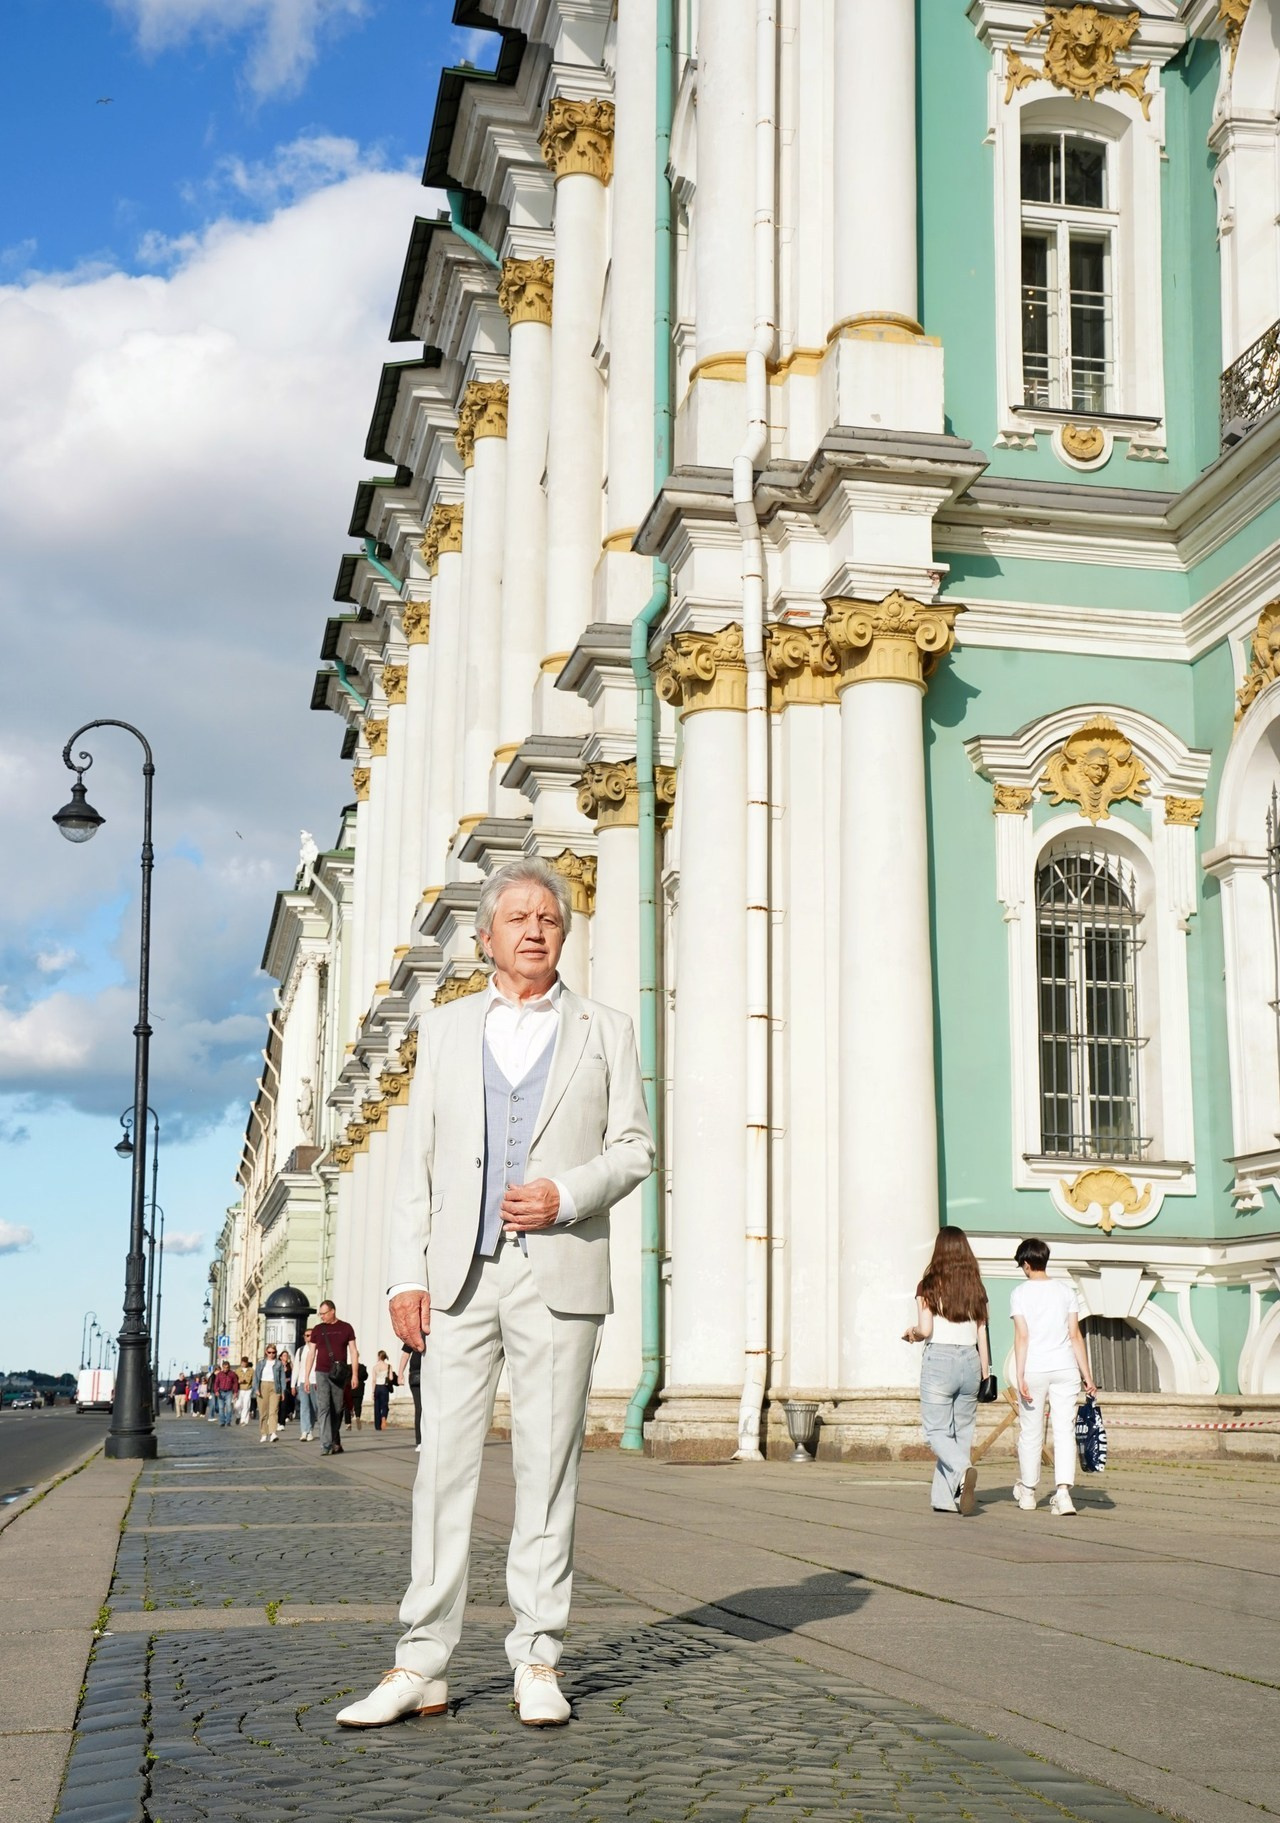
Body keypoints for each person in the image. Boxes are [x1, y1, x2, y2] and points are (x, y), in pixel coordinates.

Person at [337, 857, 654, 1732]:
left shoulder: (606, 1029)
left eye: (548, 917)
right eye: (517, 917)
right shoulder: (444, 1028)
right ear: (486, 938)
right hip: (459, 1278)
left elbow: (635, 1146)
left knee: (547, 1468)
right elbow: (418, 1165)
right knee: (441, 1467)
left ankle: (537, 1656)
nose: (534, 929)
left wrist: (566, 1194)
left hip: (559, 1273)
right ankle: (421, 1662)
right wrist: (406, 1275)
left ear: (565, 933)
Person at [903, 1228, 991, 1517]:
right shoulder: (976, 1287)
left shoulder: (928, 1285)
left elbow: (925, 1329)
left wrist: (911, 1333)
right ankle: (945, 1499)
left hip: (940, 1360)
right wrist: (985, 1373)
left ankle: (963, 1470)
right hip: (971, 1360)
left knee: (936, 1432)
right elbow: (982, 1331)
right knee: (961, 1433)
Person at [1011, 1237, 1097, 1516]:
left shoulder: (1020, 1293)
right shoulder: (1065, 1291)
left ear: (1026, 1263)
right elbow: (1075, 1335)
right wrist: (1088, 1376)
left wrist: (1019, 1374)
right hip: (1065, 1369)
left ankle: (1028, 1492)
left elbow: (1022, 1337)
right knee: (1064, 1431)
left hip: (1034, 1368)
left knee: (1030, 1432)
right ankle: (1063, 1494)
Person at [310, 1299, 359, 1456]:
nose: (322, 1316)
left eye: (324, 1313)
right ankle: (326, 1444)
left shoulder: (346, 1328)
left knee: (337, 1409)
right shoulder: (318, 1329)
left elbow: (353, 1352)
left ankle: (332, 1439)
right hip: (321, 1372)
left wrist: (355, 1374)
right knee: (323, 1407)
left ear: (333, 1311)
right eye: (320, 1314)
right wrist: (306, 1376)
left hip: (338, 1374)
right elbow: (311, 1353)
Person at [254, 1343, 284, 1442]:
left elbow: (282, 1378)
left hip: (275, 1387)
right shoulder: (261, 1363)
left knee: (274, 1411)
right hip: (263, 1386)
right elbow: (256, 1377)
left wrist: (283, 1392)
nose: (271, 1354)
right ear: (266, 1352)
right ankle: (264, 1433)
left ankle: (273, 1433)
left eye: (273, 1352)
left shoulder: (279, 1364)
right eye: (269, 1352)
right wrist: (256, 1388)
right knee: (263, 1412)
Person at [399, 1345, 422, 1451]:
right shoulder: (414, 1335)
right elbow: (405, 1354)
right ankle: (420, 1441)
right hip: (416, 1375)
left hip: (432, 1375)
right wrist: (400, 1374)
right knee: (420, 1408)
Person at [295, 1327, 316, 1441]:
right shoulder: (300, 1351)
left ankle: (310, 1430)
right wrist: (293, 1384)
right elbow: (296, 1368)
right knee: (304, 1406)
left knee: (313, 1407)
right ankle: (304, 1431)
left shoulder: (318, 1349)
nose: (309, 1337)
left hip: (315, 1381)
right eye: (307, 1335)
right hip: (303, 1381)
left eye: (311, 1335)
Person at [371, 1351, 396, 1431]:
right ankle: (384, 1417)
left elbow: (374, 1380)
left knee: (377, 1406)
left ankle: (378, 1425)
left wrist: (373, 1392)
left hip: (377, 1387)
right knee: (385, 1405)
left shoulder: (375, 1367)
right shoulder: (388, 1366)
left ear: (379, 1356)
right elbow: (391, 1378)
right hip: (385, 1387)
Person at [212, 1361, 238, 1426]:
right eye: (224, 1367)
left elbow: (235, 1383)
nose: (226, 1369)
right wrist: (216, 1391)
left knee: (229, 1407)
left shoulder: (232, 1374)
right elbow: (216, 1383)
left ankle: (228, 1421)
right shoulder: (219, 1374)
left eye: (227, 1367)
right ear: (222, 1367)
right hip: (220, 1392)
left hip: (229, 1392)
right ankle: (222, 1422)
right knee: (221, 1408)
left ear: (229, 1367)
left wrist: (235, 1392)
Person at [235, 1357, 254, 1426]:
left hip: (248, 1389)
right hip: (239, 1389)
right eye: (243, 1362)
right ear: (241, 1362)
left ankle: (243, 1420)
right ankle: (238, 1416)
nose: (244, 1364)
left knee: (246, 1405)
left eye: (245, 1362)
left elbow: (253, 1380)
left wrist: (254, 1388)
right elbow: (234, 1380)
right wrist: (238, 1381)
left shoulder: (251, 1370)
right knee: (237, 1405)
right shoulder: (237, 1370)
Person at [279, 1349, 295, 1425]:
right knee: (281, 1402)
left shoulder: (290, 1365)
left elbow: (293, 1374)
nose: (286, 1357)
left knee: (287, 1401)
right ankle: (282, 1417)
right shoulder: (278, 1365)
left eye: (287, 1355)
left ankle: (288, 1414)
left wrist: (289, 1379)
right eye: (284, 1355)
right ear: (281, 1357)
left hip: (288, 1386)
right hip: (280, 1386)